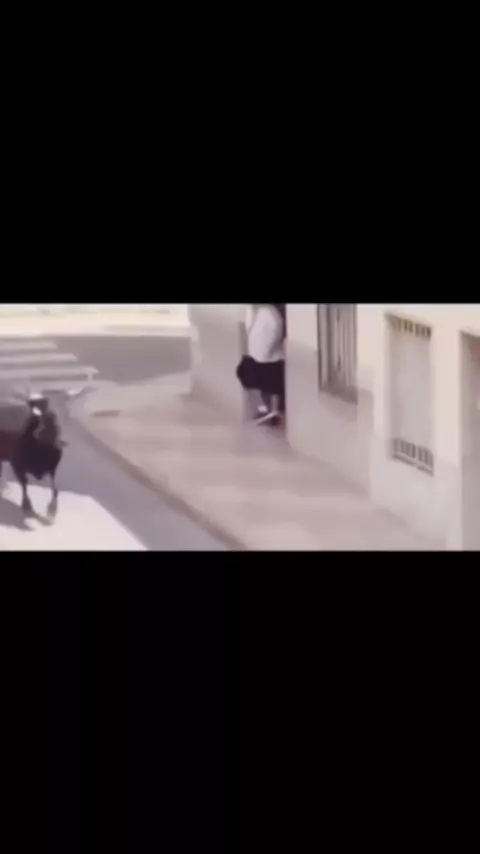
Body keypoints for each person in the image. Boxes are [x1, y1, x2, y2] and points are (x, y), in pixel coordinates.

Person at [236, 304, 285, 426]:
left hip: (269, 356)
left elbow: (276, 331)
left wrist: (267, 350)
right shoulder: (253, 311)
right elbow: (249, 330)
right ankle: (267, 409)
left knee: (272, 386)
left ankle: (273, 412)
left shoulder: (270, 313)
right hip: (256, 355)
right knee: (247, 375)